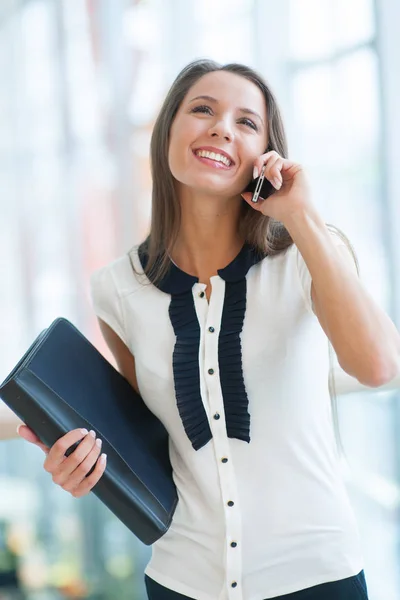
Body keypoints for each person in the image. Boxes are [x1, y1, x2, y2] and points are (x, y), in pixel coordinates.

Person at [15, 58, 400, 600]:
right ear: (168, 130)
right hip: (180, 580)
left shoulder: (307, 253)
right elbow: (146, 440)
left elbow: (378, 365)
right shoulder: (117, 288)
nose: (222, 127)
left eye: (247, 122)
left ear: (268, 153)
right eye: (203, 109)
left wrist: (303, 217)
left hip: (317, 575)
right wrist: (83, 465)